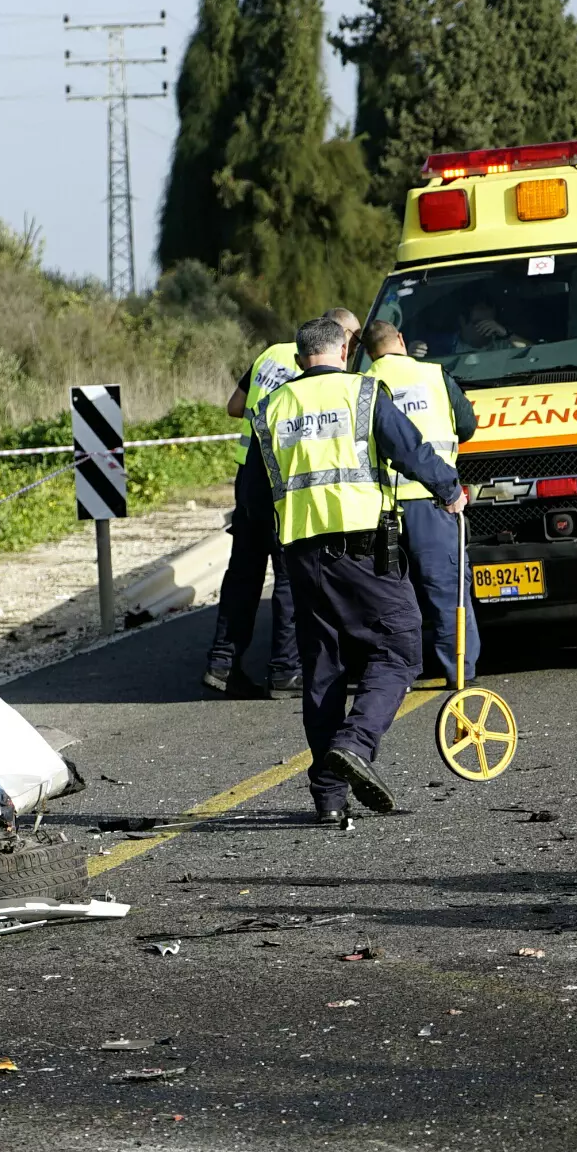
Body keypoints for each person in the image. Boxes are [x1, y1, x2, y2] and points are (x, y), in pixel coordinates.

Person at [252, 316, 467, 827]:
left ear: (300, 356)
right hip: (362, 548)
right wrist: (449, 488)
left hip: (302, 553)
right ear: (346, 348)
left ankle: (328, 798)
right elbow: (409, 448)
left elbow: (268, 486)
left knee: (323, 667)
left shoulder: (272, 407)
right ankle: (356, 743)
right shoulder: (364, 393)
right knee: (399, 647)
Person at [205, 308, 360, 696]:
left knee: (243, 574)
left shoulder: (270, 354)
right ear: (337, 338)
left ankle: (222, 664)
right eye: (351, 341)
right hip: (282, 483)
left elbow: (235, 407)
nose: (352, 349)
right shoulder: (315, 373)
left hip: (247, 479)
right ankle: (285, 669)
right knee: (290, 578)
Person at [360, 318, 480, 683]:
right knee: (448, 591)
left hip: (381, 508)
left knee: (389, 597)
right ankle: (459, 672)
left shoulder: (362, 386)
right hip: (435, 501)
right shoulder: (435, 375)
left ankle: (393, 674)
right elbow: (467, 425)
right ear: (400, 339)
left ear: (367, 352)